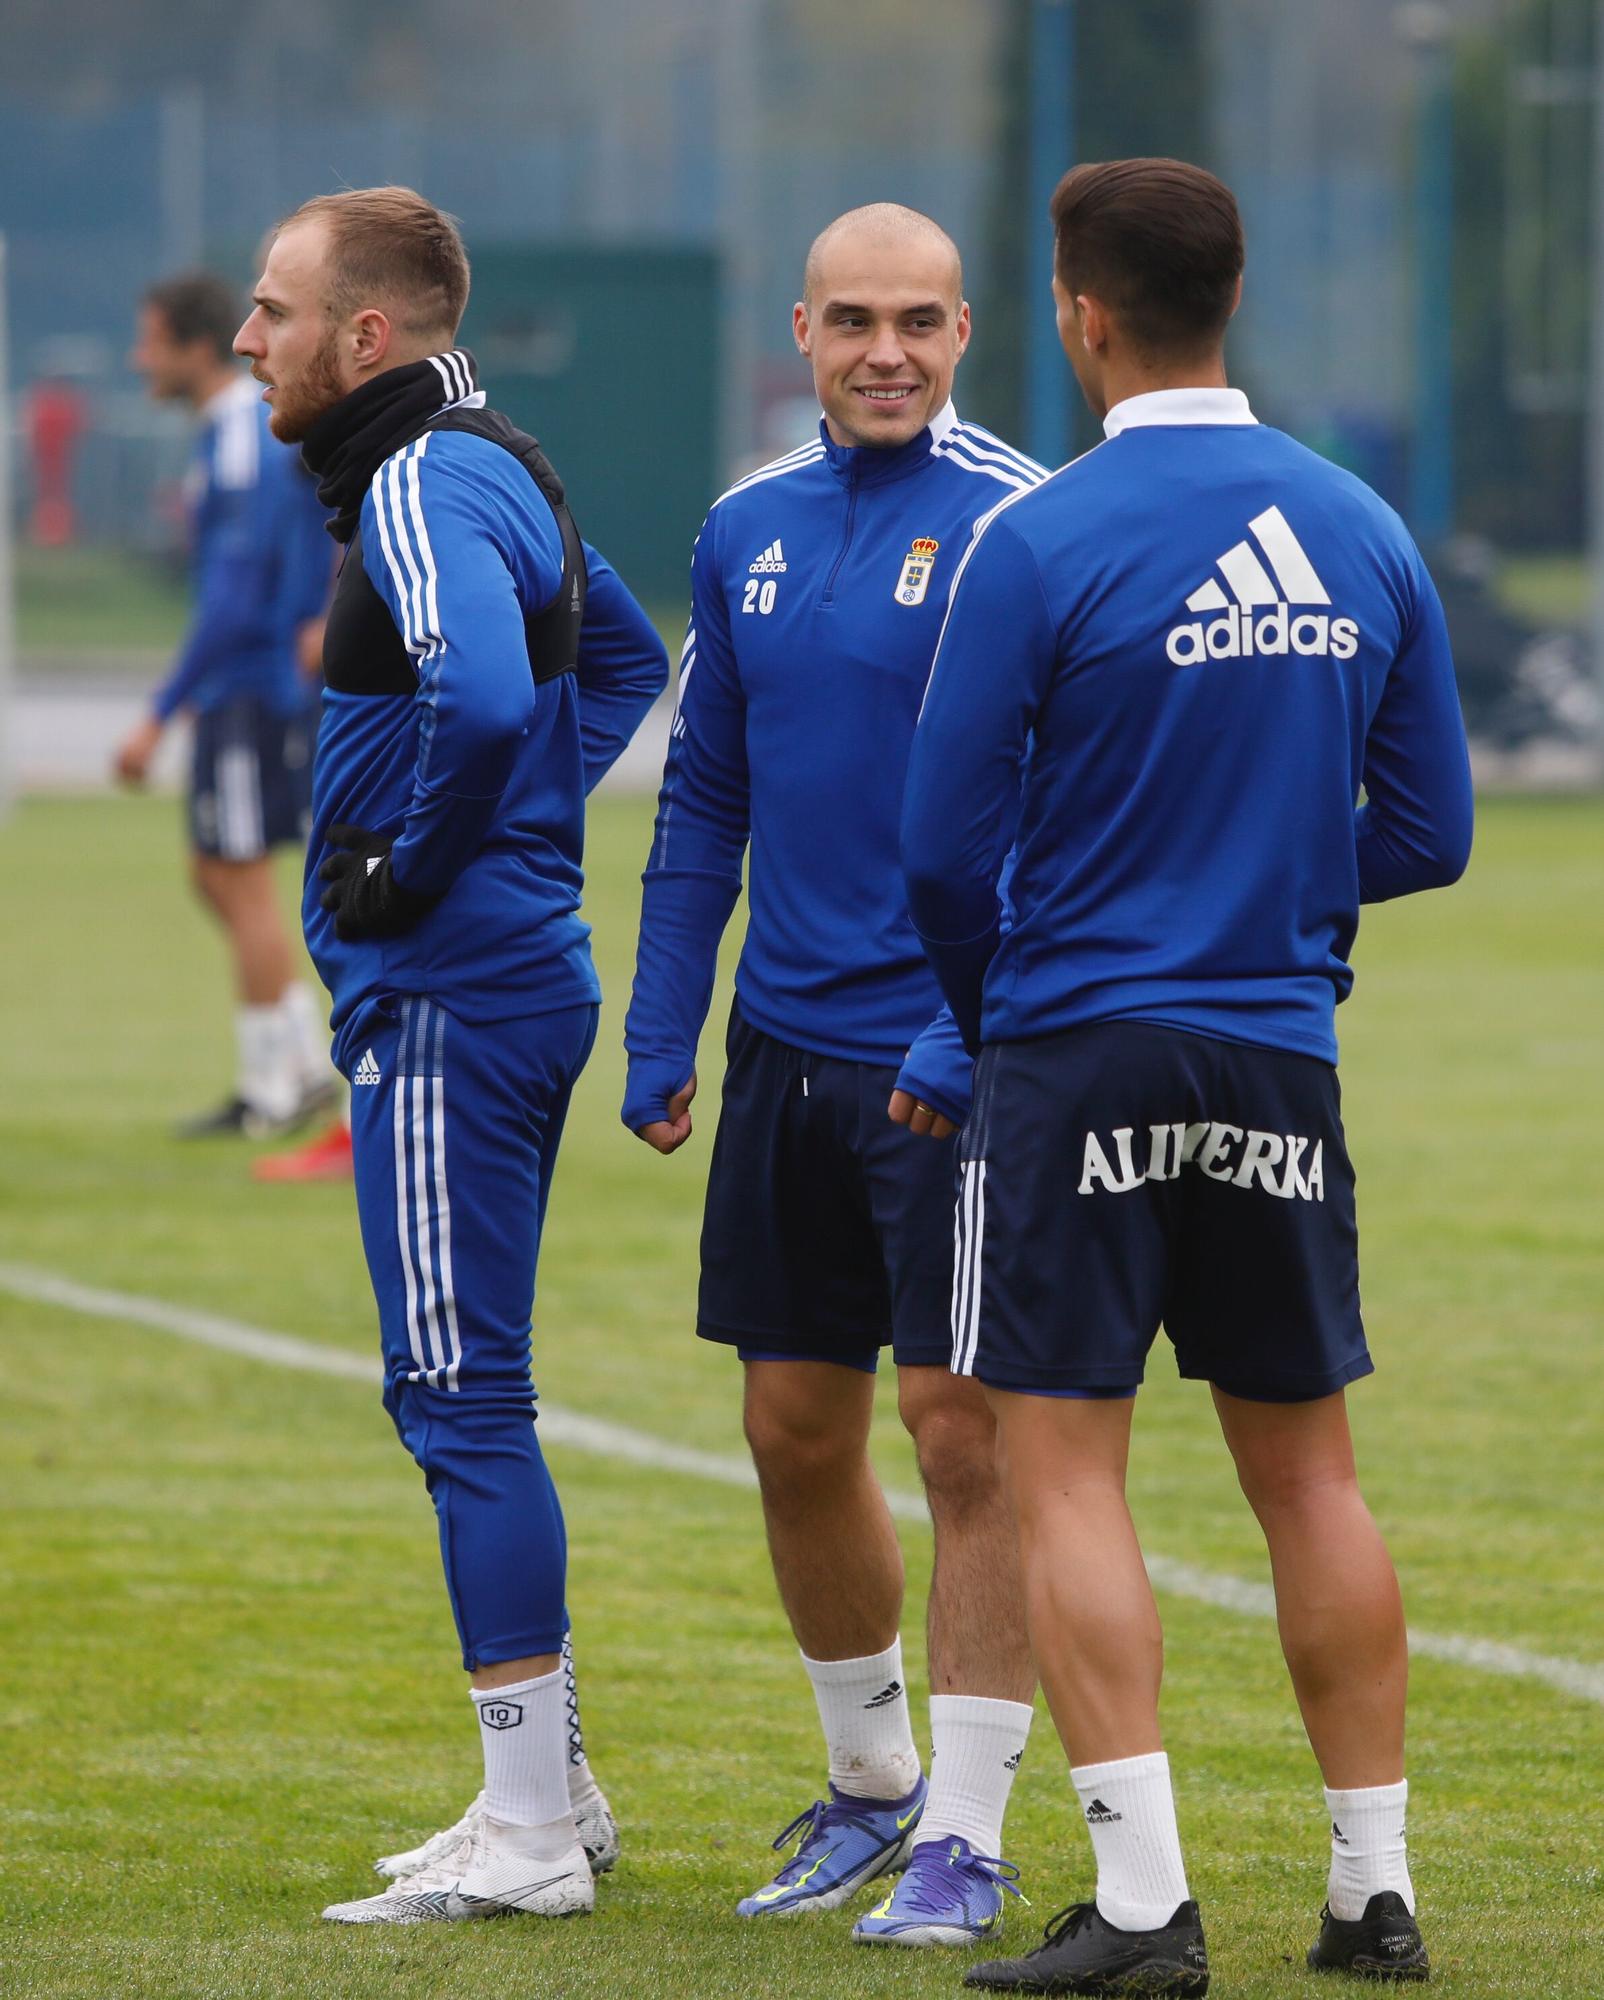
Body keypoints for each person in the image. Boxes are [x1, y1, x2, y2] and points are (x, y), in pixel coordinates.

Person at [899, 158, 1473, 1995]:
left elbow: (934, 846)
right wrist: (1273, 890)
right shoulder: (1361, 527)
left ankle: (1142, 1909)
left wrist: (998, 1001)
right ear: (1232, 300)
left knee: (1061, 1471)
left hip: (1073, 1050)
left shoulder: (1040, 537)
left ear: (1074, 313)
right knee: (1308, 1479)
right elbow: (1432, 830)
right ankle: (1368, 1892)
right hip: (1275, 1054)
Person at [233, 185, 669, 1922]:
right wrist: (523, 844)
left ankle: (533, 1841)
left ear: (365, 336)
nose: (250, 339)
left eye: (275, 311)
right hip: (495, 979)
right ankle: (552, 1788)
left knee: (458, 1395)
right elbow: (621, 656)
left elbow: (489, 702)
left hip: (448, 994)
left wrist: (416, 869)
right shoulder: (492, 456)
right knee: (463, 1388)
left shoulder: (419, 479)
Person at [624, 204, 1042, 1950]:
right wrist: (659, 1024)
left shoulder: (1029, 522)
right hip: (781, 1054)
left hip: (951, 1060)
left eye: (920, 323)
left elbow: (1061, 807)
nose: (886, 350)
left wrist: (962, 1025)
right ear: (797, 331)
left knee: (962, 1443)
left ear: (965, 335)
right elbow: (703, 789)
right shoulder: (744, 525)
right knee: (791, 1433)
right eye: (853, 320)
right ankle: (869, 1791)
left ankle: (966, 1833)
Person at [116, 273, 337, 1137]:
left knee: (240, 879)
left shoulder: (243, 435)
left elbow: (237, 595)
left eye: (149, 341)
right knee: (216, 872)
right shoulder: (227, 436)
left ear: (192, 348)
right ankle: (298, 1062)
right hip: (237, 688)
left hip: (248, 690)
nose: (140, 359)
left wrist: (160, 708)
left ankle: (276, 1087)